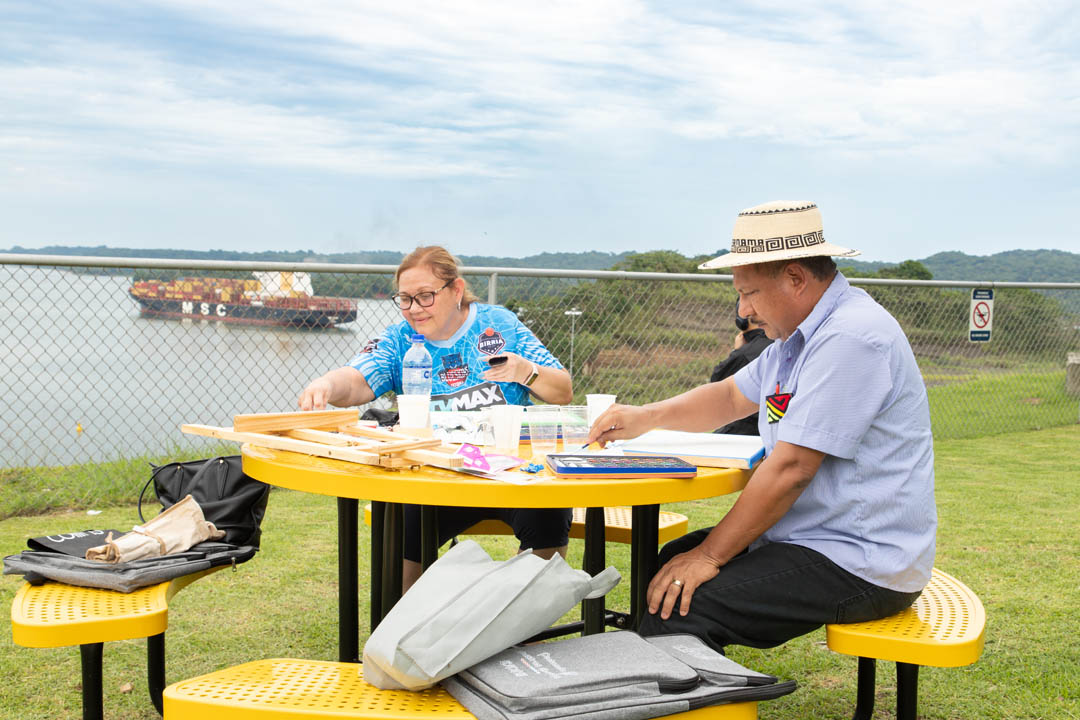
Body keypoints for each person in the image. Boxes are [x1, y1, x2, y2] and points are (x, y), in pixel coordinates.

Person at [587, 200, 936, 652]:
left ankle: (684, 687)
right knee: (671, 563)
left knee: (685, 603)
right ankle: (670, 678)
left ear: (795, 278)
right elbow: (731, 396)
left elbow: (792, 468)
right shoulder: (800, 335)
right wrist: (646, 416)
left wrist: (709, 555)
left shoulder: (851, 337)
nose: (744, 309)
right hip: (818, 538)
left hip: (862, 560)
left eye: (749, 292)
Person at [299, 246, 573, 590]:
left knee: (550, 512)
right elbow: (357, 380)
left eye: (425, 296)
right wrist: (326, 384)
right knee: (403, 523)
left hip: (513, 472)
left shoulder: (499, 324)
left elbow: (562, 390)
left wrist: (525, 371)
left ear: (456, 290)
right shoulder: (399, 339)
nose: (414, 309)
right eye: (405, 299)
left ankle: (524, 616)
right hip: (437, 474)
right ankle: (406, 617)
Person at [709, 299, 772, 435]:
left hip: (747, 429)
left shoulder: (745, 353)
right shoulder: (778, 343)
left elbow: (717, 382)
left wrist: (736, 351)